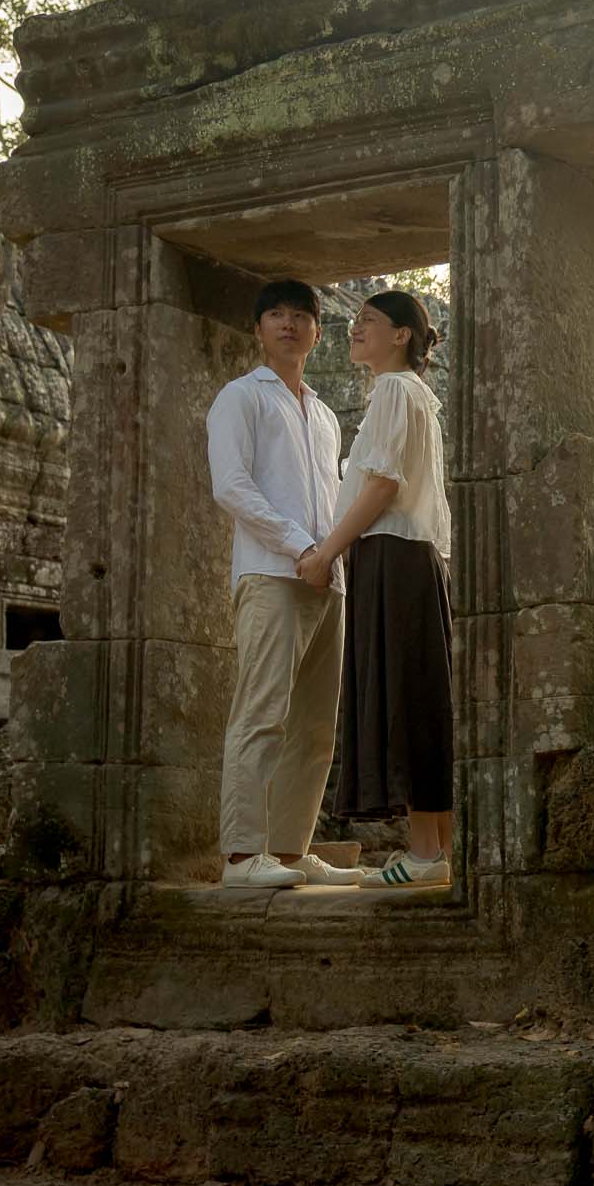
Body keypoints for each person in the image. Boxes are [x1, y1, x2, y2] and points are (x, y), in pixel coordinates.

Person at [206, 280, 362, 889]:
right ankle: (243, 857)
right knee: (262, 711)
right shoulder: (240, 398)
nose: (289, 324)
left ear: (318, 333)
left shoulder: (324, 416)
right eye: (277, 314)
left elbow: (333, 499)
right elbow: (232, 486)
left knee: (317, 723)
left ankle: (291, 852)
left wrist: (331, 557)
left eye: (302, 316)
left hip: (330, 579)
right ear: (258, 328)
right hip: (273, 572)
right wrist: (301, 549)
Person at [299, 290, 456, 887]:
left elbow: (383, 484)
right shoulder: (415, 397)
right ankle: (434, 850)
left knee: (404, 697)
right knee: (418, 695)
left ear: (401, 336)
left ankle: (423, 851)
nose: (353, 330)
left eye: (368, 322)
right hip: (411, 559)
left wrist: (325, 554)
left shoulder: (394, 391)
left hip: (391, 554)